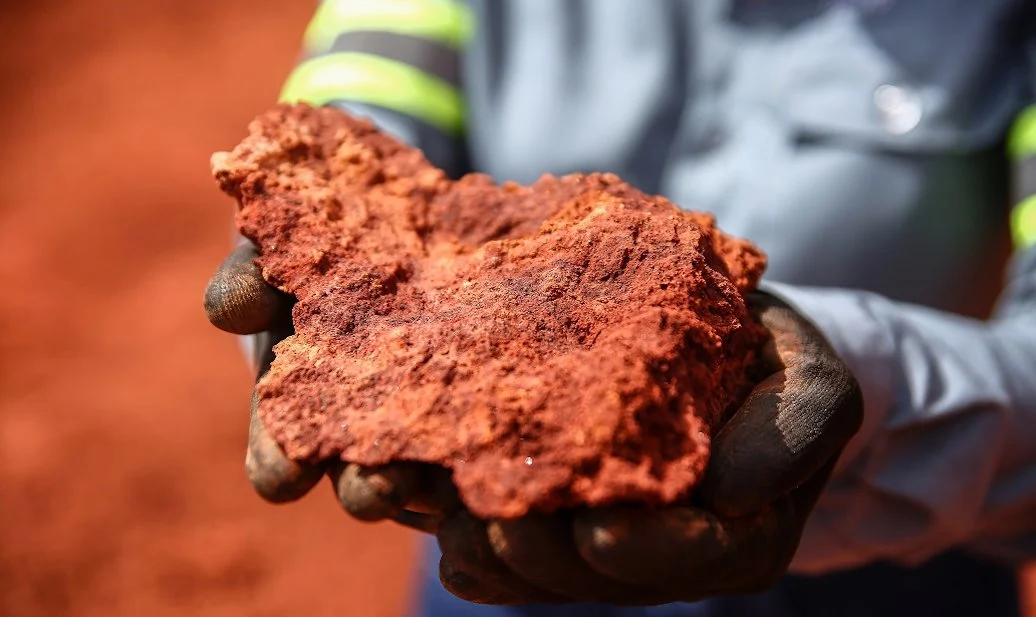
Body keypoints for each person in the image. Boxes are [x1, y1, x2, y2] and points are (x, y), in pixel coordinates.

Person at [204, 1, 1036, 615]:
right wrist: (322, 277)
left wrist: (872, 404)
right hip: (491, 521)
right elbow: (348, 130)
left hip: (897, 556)